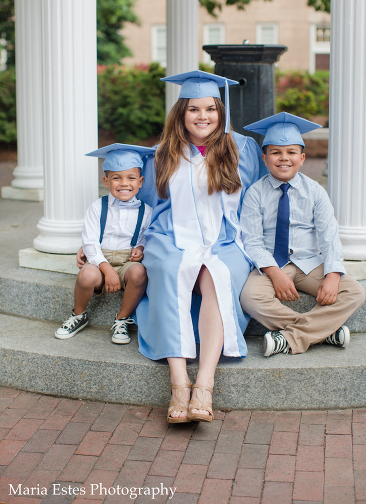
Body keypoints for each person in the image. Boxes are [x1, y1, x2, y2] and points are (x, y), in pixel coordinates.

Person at [134, 70, 264, 423]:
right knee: (169, 269)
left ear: (221, 112)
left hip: (226, 238)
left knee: (216, 276)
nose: (203, 116)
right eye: (193, 109)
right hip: (171, 235)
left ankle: (204, 383)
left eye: (210, 108)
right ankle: (179, 383)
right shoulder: (162, 153)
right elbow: (148, 206)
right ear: (181, 113)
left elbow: (256, 202)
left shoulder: (243, 148)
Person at [239, 112, 366, 357]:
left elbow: (329, 236)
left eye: (291, 152)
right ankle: (325, 332)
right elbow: (252, 241)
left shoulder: (315, 191)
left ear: (302, 158)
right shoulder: (256, 193)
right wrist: (274, 273)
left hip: (310, 263)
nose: (283, 158)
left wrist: (332, 275)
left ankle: (290, 338)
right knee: (250, 297)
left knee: (354, 292)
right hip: (272, 264)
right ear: (265, 159)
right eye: (276, 152)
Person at [56, 144, 154, 345]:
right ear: (106, 181)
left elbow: (146, 236)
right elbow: (90, 242)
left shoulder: (147, 211)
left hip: (128, 261)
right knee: (86, 275)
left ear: (141, 181)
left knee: (139, 273)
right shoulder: (96, 207)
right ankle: (79, 315)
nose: (124, 183)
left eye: (131, 178)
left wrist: (141, 248)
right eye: (116, 178)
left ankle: (122, 319)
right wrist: (106, 269)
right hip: (100, 260)